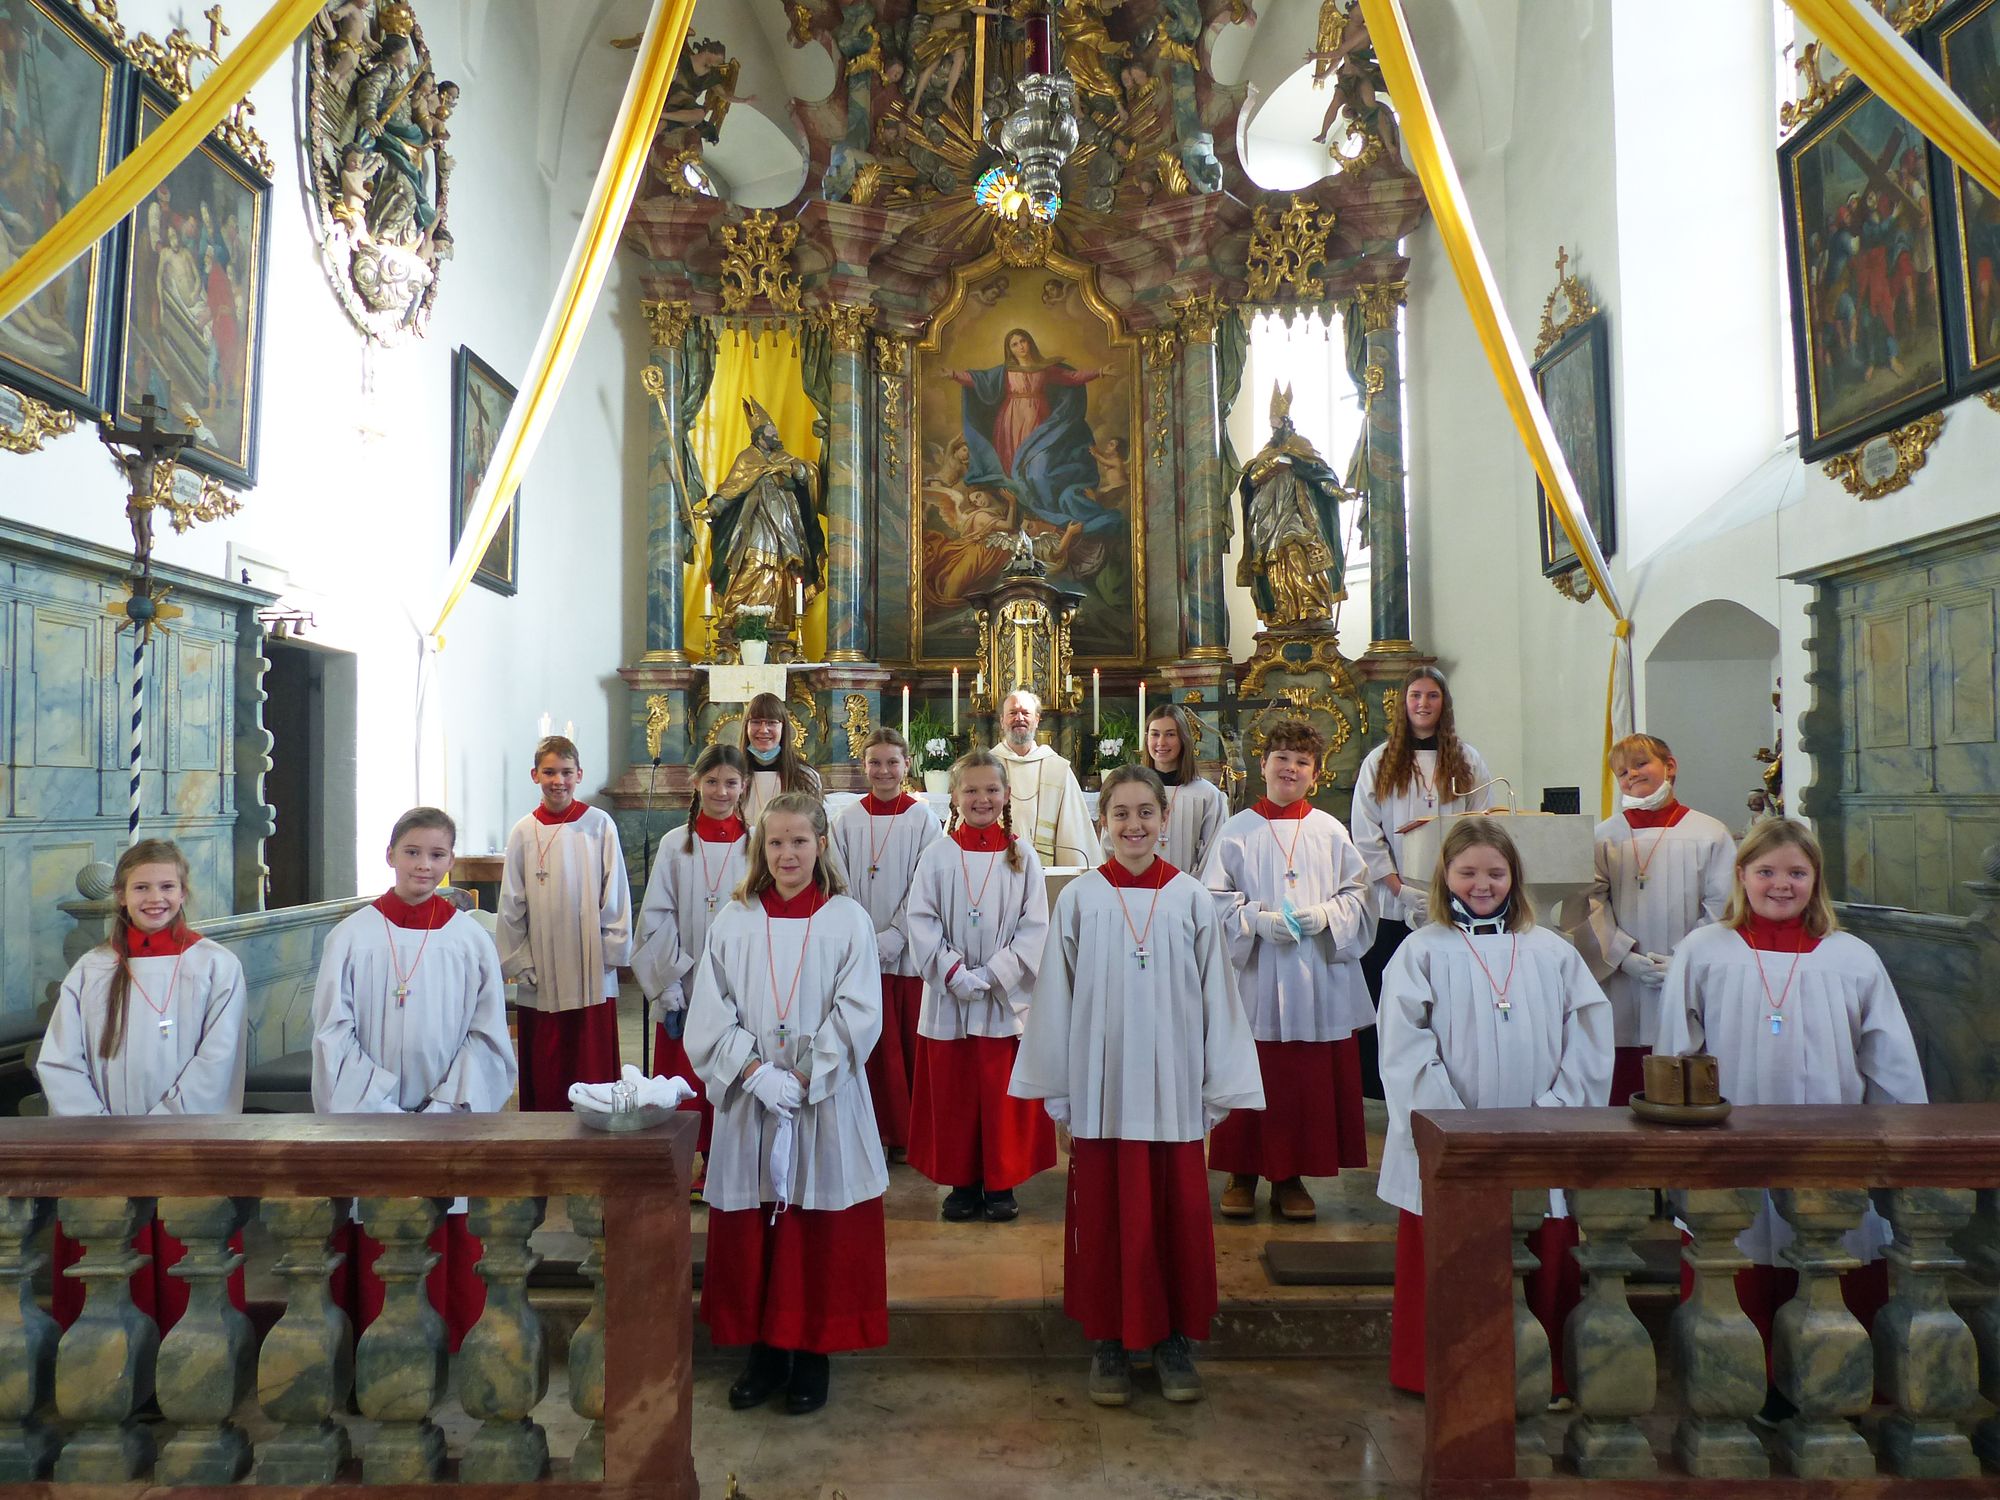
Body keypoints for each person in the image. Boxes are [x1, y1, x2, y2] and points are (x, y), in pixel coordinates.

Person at [1655, 818, 1925, 1419]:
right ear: (1742, 876)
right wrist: (1679, 1145)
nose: (1782, 884)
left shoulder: (1851, 956)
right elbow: (1676, 1054)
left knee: (1830, 1250)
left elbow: (1890, 1059)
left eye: (1797, 873)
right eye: (1767, 872)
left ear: (1816, 880)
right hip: (1732, 1141)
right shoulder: (1704, 950)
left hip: (1833, 1140)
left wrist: (1901, 1142)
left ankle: (1833, 1382)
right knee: (1743, 1247)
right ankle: (1744, 1388)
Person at [1012, 766, 1263, 1406]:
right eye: (1120, 814)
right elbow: (1056, 1001)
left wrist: (1217, 1086)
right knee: (1105, 1215)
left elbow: (1218, 996)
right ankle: (1110, 1339)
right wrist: (1060, 1090)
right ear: (1102, 824)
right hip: (1103, 1089)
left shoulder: (1188, 899)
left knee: (1176, 1214)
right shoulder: (1080, 899)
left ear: (1165, 820)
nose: (1133, 825)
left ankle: (1174, 1337)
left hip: (1175, 1085)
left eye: (1145, 813)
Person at [1377, 818, 1612, 1397]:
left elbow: (1587, 1033)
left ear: (1515, 877)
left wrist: (1553, 1109)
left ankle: (1535, 1375)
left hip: (1541, 1134)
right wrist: (1454, 1125)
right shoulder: (1420, 951)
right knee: (1453, 1258)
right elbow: (1405, 1050)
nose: (1482, 885)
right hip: (1452, 1137)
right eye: (1468, 872)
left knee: (1541, 1251)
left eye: (1495, 873)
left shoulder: (1550, 950)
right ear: (1445, 877)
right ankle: (1442, 1375)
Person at [685, 792, 889, 1416]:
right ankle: (764, 1353)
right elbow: (709, 1010)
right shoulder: (734, 920)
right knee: (757, 1222)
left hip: (822, 1101)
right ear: (760, 848)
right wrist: (752, 1072)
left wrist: (804, 1077)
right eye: (775, 842)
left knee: (813, 1222)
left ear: (821, 845)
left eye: (799, 841)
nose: (787, 853)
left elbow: (860, 1011)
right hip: (752, 1101)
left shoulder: (847, 919)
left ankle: (812, 1353)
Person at [312, 806, 516, 1350]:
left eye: (437, 854)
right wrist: (378, 1104)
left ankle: (445, 1345)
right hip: (369, 1121)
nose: (423, 865)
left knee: (443, 1226)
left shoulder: (469, 940)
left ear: (451, 860)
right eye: (412, 852)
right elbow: (333, 1030)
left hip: (446, 1117)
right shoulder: (351, 936)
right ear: (390, 855)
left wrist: (449, 1106)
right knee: (373, 1229)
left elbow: (489, 1034)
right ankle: (372, 1350)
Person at [39, 839, 249, 1330]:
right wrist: (98, 1131)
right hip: (104, 1146)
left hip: (184, 1140)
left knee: (183, 1260)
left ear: (184, 891)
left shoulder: (215, 965)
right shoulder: (93, 968)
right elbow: (61, 1059)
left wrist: (160, 1128)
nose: (155, 897)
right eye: (141, 887)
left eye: (167, 886)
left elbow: (218, 1059)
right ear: (120, 895)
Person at [1201, 720, 1373, 1220]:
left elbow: (1359, 897)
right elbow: (1211, 899)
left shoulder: (1330, 830)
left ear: (1315, 774)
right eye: (1282, 758)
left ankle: (1290, 1178)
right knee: (1251, 1071)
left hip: (1314, 974)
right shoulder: (1236, 830)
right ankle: (1241, 1172)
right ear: (1263, 765)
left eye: (1302, 762)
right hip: (1254, 974)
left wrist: (1325, 916)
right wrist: (1254, 920)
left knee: (1300, 1081)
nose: (1290, 768)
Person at [905, 750, 1053, 1221]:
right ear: (954, 796)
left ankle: (1001, 1181)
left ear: (1007, 795)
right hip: (950, 998)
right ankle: (963, 1181)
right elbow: (921, 920)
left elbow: (1035, 926)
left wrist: (993, 975)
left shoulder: (1022, 856)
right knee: (955, 1093)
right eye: (971, 790)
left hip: (1001, 999)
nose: (981, 799)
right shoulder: (938, 855)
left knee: (999, 1092)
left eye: (991, 790)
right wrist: (953, 973)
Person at [1350, 667, 1493, 1099]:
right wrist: (1397, 887)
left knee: (1446, 991)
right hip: (1393, 902)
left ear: (1443, 704)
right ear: (1403, 703)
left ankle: (1453, 1073)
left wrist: (1457, 886)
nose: (1423, 704)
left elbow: (1481, 823)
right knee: (1390, 989)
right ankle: (1382, 1086)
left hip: (1455, 899)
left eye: (1432, 696)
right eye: (1415, 695)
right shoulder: (1380, 760)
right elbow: (1365, 832)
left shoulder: (1467, 760)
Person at [1575, 734, 1735, 1105]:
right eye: (1622, 771)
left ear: (1670, 766)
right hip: (1622, 982)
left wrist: (1684, 959)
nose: (1631, 775)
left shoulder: (1709, 833)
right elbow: (1590, 905)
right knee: (1624, 1085)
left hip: (1691, 975)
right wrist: (1623, 958)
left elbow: (1722, 903)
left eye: (1640, 764)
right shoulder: (1604, 836)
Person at [634, 744, 751, 1196]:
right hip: (685, 981)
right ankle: (688, 1160)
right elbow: (657, 917)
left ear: (743, 788)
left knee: (732, 1075)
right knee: (688, 1080)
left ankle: (729, 1160)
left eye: (731, 782)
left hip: (740, 984)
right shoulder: (674, 844)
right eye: (713, 781)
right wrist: (669, 985)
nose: (721, 791)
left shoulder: (757, 841)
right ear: (696, 784)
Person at [497, 734, 632, 1110]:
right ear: (534, 775)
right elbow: (511, 901)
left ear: (579, 775)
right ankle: (545, 1127)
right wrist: (520, 960)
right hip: (541, 962)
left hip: (590, 959)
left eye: (566, 772)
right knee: (546, 1054)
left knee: (590, 1054)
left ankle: (597, 1122)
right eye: (550, 772)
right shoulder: (523, 830)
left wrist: (611, 950)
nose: (559, 780)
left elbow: (616, 890)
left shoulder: (599, 823)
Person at [829, 728, 942, 1154]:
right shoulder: (847, 820)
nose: (883, 770)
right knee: (870, 1046)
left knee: (904, 1047)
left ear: (907, 765)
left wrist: (894, 936)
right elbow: (837, 880)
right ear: (864, 766)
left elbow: (925, 886)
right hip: (859, 952)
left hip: (906, 956)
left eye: (892, 762)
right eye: (875, 762)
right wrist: (861, 937)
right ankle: (869, 1130)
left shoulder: (923, 820)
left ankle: (905, 1136)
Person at [991, 689, 1101, 867]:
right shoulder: (986, 767)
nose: (1019, 718)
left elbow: (1073, 831)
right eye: (1012, 713)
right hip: (995, 869)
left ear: (1037, 720)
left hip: (1046, 876)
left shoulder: (1058, 769)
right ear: (1002, 721)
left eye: (1025, 713)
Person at [1144, 702, 1229, 877]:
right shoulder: (1131, 791)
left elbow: (1214, 853)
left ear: (1183, 739)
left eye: (1170, 734)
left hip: (1189, 893)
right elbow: (1112, 846)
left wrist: (1188, 889)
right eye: (1155, 734)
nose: (1161, 742)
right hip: (1136, 892)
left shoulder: (1206, 795)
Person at [741, 691, 823, 828]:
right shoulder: (734, 775)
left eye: (771, 722)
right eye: (755, 722)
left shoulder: (805, 776)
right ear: (746, 727)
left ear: (783, 728)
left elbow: (814, 827)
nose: (763, 730)